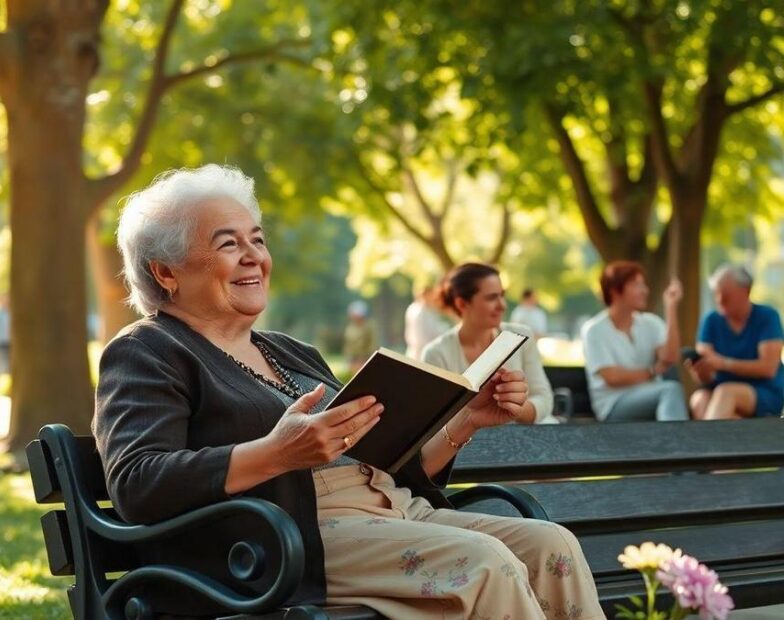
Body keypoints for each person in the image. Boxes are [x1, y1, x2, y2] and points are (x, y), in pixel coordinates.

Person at [93, 165, 603, 619]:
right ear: (166, 272)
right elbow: (138, 483)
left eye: (258, 240)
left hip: (394, 511)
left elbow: (388, 462)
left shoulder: (290, 351)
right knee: (486, 564)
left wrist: (464, 421)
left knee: (548, 544)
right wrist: (275, 454)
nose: (255, 258)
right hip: (290, 539)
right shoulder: (147, 351)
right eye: (228, 244)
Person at [421, 263, 562, 424]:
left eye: (502, 295)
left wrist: (515, 408)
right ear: (462, 304)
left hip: (524, 438)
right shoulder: (436, 354)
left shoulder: (522, 336)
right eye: (491, 298)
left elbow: (544, 399)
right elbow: (437, 423)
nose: (503, 305)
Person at [580, 261, 688, 422]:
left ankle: (673, 444)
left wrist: (671, 308)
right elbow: (613, 378)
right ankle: (676, 446)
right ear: (615, 291)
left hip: (652, 396)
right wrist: (651, 372)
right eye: (637, 285)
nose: (645, 291)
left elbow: (670, 358)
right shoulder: (594, 330)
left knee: (670, 390)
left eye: (643, 285)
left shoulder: (650, 323)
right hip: (614, 405)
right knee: (670, 390)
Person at [687, 265, 784, 420]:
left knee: (726, 392)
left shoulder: (767, 317)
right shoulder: (711, 321)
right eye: (717, 294)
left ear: (746, 291)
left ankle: (706, 444)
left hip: (762, 392)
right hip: (718, 395)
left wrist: (724, 363)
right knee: (699, 399)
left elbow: (768, 368)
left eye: (726, 295)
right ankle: (723, 440)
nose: (720, 300)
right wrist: (701, 370)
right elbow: (706, 374)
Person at [404, 285, 448, 359]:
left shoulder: (416, 309)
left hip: (418, 350)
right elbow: (430, 332)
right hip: (421, 351)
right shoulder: (420, 311)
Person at [342, 300, 376, 373]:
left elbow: (372, 345)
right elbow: (348, 345)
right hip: (352, 359)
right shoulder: (350, 327)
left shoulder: (369, 327)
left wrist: (365, 359)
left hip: (364, 359)